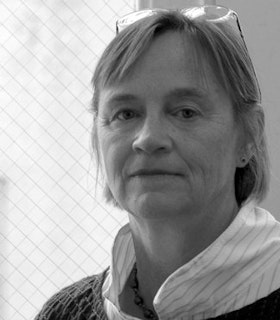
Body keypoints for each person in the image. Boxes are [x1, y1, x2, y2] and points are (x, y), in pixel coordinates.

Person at [35, 6, 280, 320]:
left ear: (249, 135)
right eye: (125, 113)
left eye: (185, 112)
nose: (148, 139)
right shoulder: (63, 314)